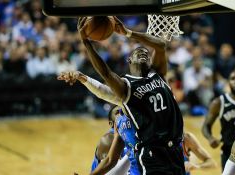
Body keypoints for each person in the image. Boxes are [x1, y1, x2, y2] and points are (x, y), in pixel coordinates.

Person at [77, 16, 185, 174]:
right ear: (129, 60)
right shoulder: (126, 86)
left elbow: (160, 45)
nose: (143, 53)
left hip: (175, 150)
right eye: (137, 52)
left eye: (146, 52)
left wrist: (128, 33)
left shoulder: (158, 74)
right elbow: (106, 73)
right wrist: (86, 43)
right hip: (152, 155)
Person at [202, 69, 235, 171]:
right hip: (228, 152)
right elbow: (205, 126)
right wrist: (210, 138)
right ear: (228, 82)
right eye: (233, 79)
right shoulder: (219, 102)